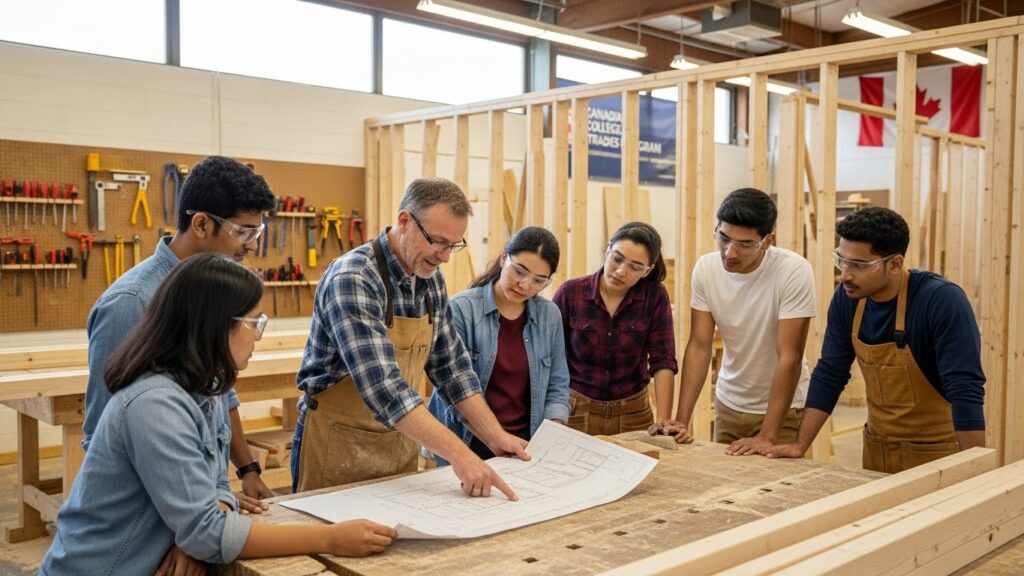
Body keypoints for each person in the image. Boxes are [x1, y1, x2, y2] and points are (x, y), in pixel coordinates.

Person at [41, 254, 397, 576]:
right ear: (215, 325)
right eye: (254, 322)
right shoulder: (155, 405)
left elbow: (212, 491)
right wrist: (330, 538)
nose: (258, 336)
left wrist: (203, 526)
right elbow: (207, 532)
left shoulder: (204, 390)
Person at [83, 156, 276, 571]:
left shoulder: (213, 292)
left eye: (257, 231)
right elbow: (105, 432)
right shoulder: (130, 304)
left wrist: (243, 473)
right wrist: (182, 529)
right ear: (202, 224)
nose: (251, 244)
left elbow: (220, 393)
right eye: (242, 231)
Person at [292, 177, 529, 497]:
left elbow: (452, 369)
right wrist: (461, 455)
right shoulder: (354, 277)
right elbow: (386, 390)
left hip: (397, 443)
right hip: (336, 446)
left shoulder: (430, 280)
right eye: (438, 241)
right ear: (404, 221)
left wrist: (494, 435)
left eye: (453, 245)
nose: (445, 256)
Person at [765, 207, 986, 473]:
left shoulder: (941, 301)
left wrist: (973, 471)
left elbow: (965, 388)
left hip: (936, 454)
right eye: (841, 260)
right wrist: (800, 444)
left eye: (858, 265)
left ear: (894, 264)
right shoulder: (848, 301)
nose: (844, 274)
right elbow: (830, 373)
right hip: (877, 451)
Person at [655, 189, 815, 455]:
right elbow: (699, 346)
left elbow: (790, 356)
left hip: (783, 411)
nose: (730, 252)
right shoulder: (706, 269)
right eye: (724, 238)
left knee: (779, 494)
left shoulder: (793, 272)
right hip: (729, 404)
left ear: (768, 241)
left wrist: (768, 435)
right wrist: (682, 420)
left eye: (744, 244)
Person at [427, 226, 570, 464]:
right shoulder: (462, 309)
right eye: (520, 271)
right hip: (468, 443)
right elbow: (452, 390)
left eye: (538, 281)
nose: (525, 285)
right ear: (504, 258)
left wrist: (551, 437)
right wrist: (497, 437)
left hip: (526, 446)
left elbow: (557, 384)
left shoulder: (549, 316)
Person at [552, 221, 677, 435]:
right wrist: (553, 413)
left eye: (635, 267)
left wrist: (664, 419)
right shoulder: (571, 293)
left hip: (633, 415)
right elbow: (550, 359)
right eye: (617, 258)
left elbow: (663, 359)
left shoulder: (655, 296)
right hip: (576, 412)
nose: (620, 271)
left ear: (648, 270)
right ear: (608, 249)